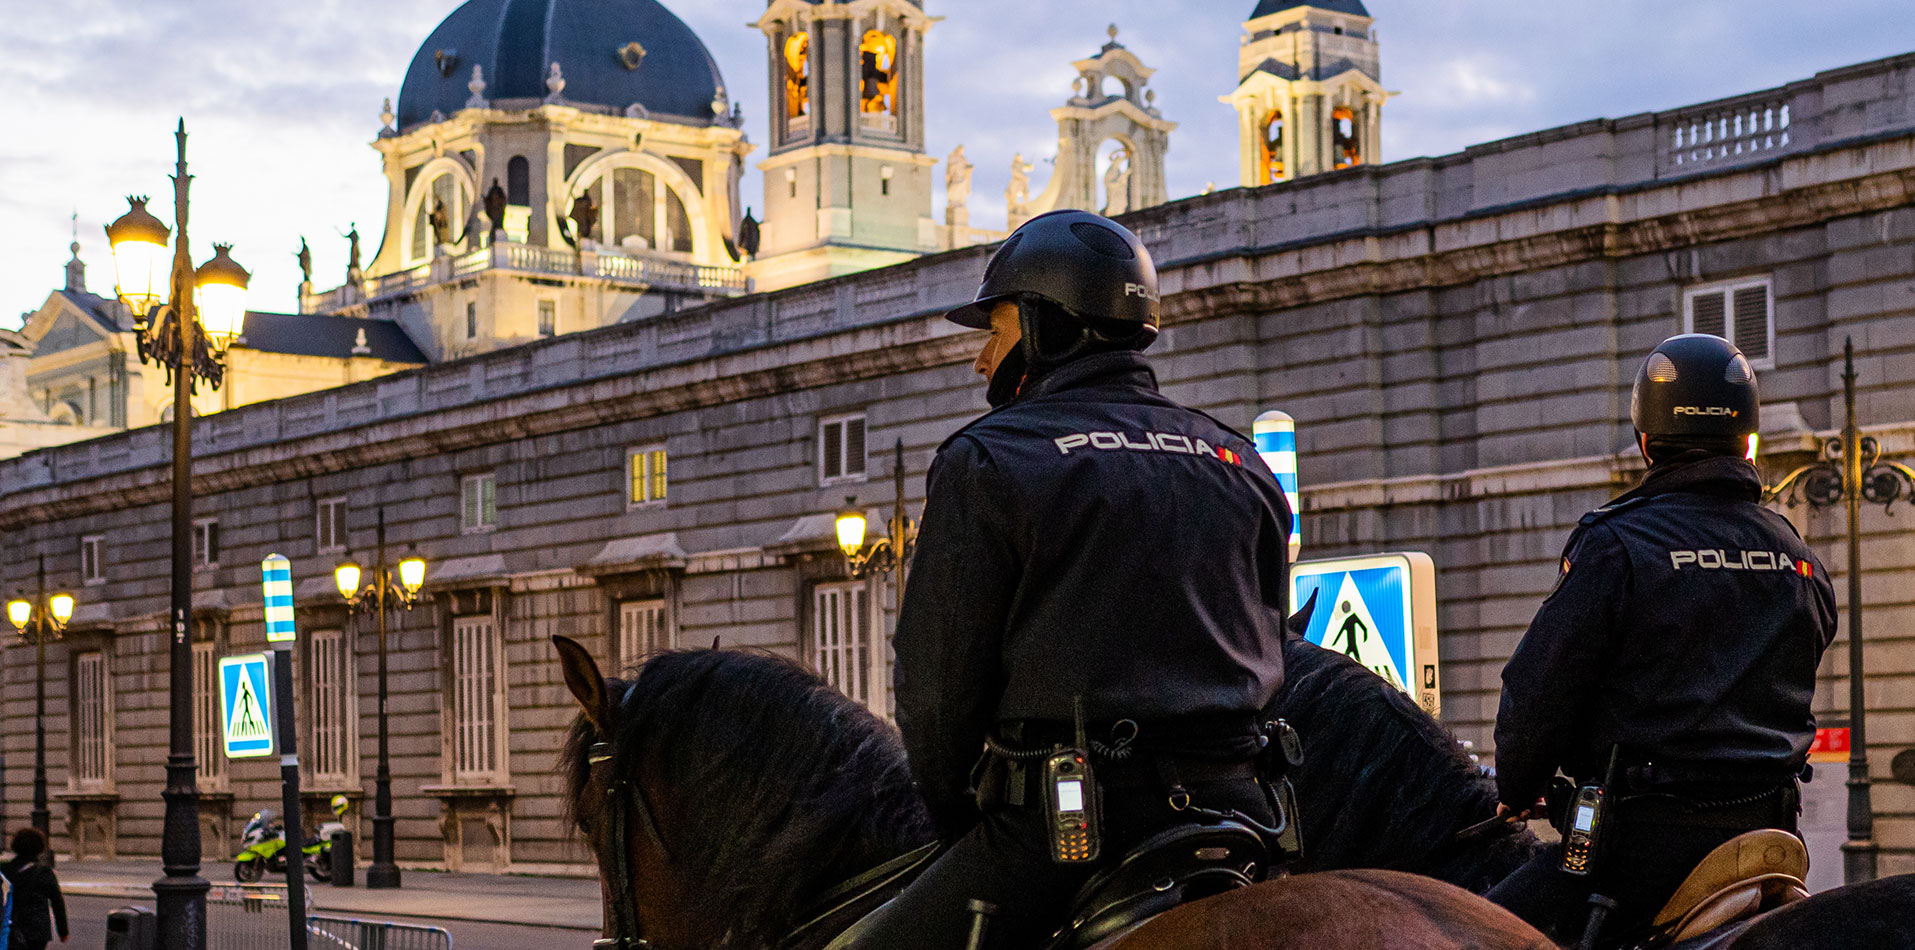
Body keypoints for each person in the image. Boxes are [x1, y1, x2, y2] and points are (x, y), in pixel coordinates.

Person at [834, 211, 1294, 948]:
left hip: (1063, 831)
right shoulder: (1238, 462)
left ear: (1050, 324)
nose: (981, 360)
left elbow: (938, 684)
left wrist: (957, 818)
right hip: (1243, 818)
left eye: (997, 329)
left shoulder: (993, 457)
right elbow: (1278, 638)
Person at [1486, 334, 1838, 943]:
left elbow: (1538, 691)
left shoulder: (1616, 545)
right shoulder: (1800, 559)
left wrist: (1516, 789)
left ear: (1647, 443)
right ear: (1748, 441)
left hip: (1640, 855)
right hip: (1774, 840)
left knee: (1458, 926)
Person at [4, 828, 67, 948]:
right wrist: (63, 931)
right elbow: (57, 903)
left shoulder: (6, 870)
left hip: (12, 926)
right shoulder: (44, 873)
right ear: (40, 848)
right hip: (38, 929)